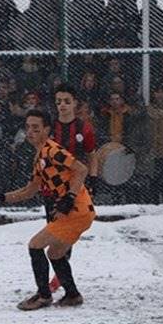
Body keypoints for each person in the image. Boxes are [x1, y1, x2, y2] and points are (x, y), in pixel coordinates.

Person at [0, 110, 95, 310]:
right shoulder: (40, 157)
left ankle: (44, 296)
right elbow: (30, 190)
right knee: (55, 254)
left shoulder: (52, 150)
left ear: (47, 130)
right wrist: (2, 197)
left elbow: (81, 169)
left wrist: (69, 198)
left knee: (35, 246)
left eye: (36, 128)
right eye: (27, 127)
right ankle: (72, 295)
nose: (30, 132)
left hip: (75, 211)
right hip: (79, 213)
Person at [46, 84, 98, 293]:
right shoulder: (49, 127)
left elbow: (92, 155)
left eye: (67, 101)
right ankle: (60, 275)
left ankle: (59, 278)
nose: (62, 106)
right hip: (52, 187)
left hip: (74, 187)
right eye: (58, 102)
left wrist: (93, 179)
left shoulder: (83, 128)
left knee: (66, 231)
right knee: (54, 229)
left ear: (75, 103)